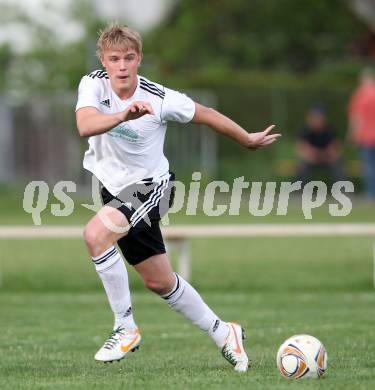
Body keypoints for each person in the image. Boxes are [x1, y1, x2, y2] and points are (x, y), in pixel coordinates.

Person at [75, 23, 280, 373]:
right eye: (114, 59)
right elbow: (85, 124)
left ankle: (124, 327)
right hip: (113, 189)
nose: (122, 66)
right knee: (159, 281)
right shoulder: (92, 84)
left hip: (152, 188)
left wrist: (246, 138)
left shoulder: (160, 97)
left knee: (96, 235)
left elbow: (208, 115)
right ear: (104, 62)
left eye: (129, 57)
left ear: (139, 59)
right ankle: (224, 332)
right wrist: (123, 114)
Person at [295, 105, 345, 185]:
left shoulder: (330, 131)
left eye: (318, 118)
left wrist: (328, 155)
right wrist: (310, 155)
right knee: (302, 165)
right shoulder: (305, 131)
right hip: (311, 159)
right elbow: (300, 148)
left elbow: (336, 148)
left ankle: (342, 190)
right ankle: (298, 190)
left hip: (327, 159)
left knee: (338, 165)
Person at [348, 68, 375, 200]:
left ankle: (371, 194)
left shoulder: (360, 95)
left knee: (369, 166)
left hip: (366, 137)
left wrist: (352, 134)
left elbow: (356, 117)